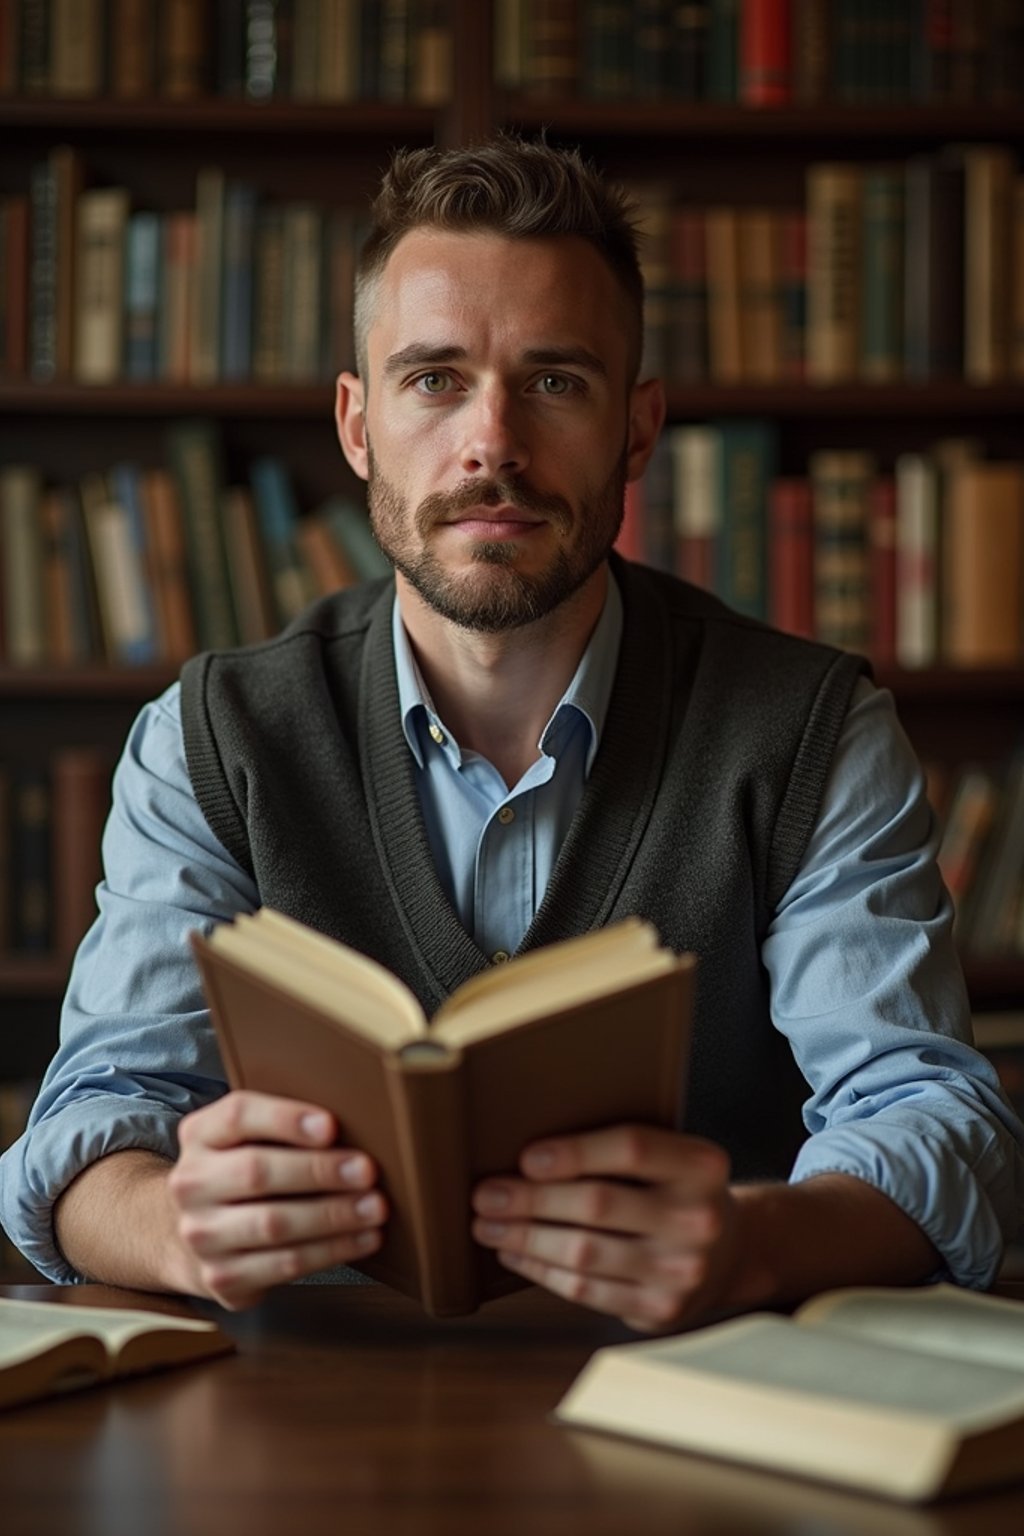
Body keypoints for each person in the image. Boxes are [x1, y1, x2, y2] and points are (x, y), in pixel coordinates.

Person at [1, 138, 1021, 1330]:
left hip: (705, 1414)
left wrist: (749, 1244)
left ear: (638, 430)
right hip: (304, 1419)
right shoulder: (211, 738)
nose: (492, 444)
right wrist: (177, 1223)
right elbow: (83, 1133)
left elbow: (933, 1116)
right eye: (434, 379)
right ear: (356, 423)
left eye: (554, 382)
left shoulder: (809, 732)